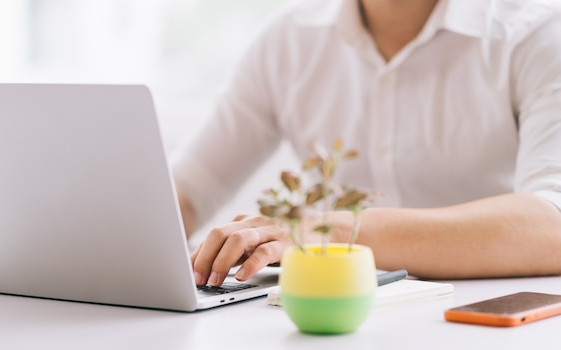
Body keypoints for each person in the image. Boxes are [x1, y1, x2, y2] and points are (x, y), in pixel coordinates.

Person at [171, 0, 561, 287]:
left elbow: (552, 226)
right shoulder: (289, 38)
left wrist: (326, 232)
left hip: (483, 319)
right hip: (335, 312)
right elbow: (188, 193)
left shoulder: (535, 31)